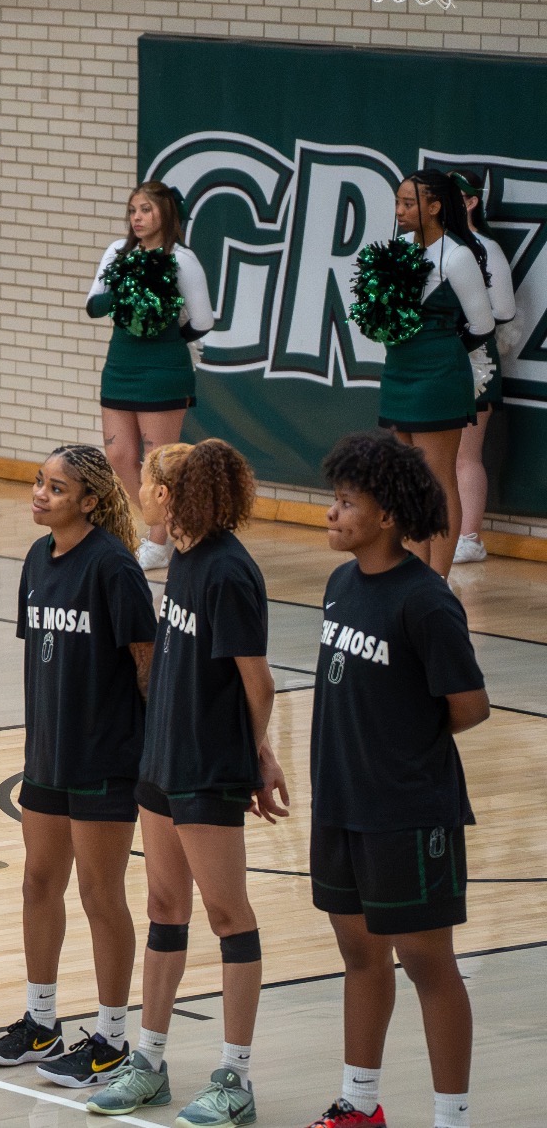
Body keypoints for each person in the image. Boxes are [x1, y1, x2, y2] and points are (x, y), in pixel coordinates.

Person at [88, 439, 289, 1126]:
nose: (136, 491)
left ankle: (235, 1075)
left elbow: (258, 682)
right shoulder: (186, 557)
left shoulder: (230, 572)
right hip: (161, 762)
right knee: (165, 906)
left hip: (207, 767)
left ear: (168, 495)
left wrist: (249, 755)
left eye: (144, 483)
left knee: (228, 914)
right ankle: (149, 1059)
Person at [302, 431, 488, 1128]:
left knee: (426, 960)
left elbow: (469, 705)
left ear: (386, 516)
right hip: (341, 803)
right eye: (335, 500)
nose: (332, 513)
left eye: (347, 503)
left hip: (408, 810)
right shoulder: (340, 583)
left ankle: (451, 1117)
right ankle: (359, 1101)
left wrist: (400, 747)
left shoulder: (426, 600)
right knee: (358, 951)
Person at [0, 444, 152, 1087]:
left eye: (55, 487)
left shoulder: (113, 567)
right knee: (37, 884)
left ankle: (111, 1037)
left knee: (101, 895)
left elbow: (146, 664)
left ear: (90, 500)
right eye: (38, 483)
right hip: (47, 756)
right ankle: (41, 1020)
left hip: (105, 757)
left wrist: (151, 754)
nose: (40, 494)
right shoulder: (37, 558)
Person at [372, 170, 497, 579]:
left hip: (438, 376)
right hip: (399, 372)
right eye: (398, 202)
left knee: (439, 477)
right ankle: (413, 572)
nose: (400, 211)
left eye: (409, 203)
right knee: (406, 477)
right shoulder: (399, 248)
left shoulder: (458, 256)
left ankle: (437, 581)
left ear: (436, 206)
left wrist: (440, 352)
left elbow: (482, 325)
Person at [87, 182, 215, 570]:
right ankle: (166, 521)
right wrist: (125, 286)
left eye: (145, 210)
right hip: (120, 366)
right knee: (120, 454)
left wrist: (166, 339)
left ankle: (158, 543)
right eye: (132, 211)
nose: (137, 218)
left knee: (156, 462)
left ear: (167, 213)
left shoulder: (183, 260)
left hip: (164, 370)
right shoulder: (117, 252)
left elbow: (203, 320)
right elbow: (94, 305)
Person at [446, 171, 517, 567]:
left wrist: (468, 322)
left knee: (464, 456)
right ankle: (439, 528)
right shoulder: (435, 248)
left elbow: (504, 310)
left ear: (471, 202)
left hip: (475, 359)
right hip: (437, 359)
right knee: (434, 453)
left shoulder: (486, 248)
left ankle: (470, 537)